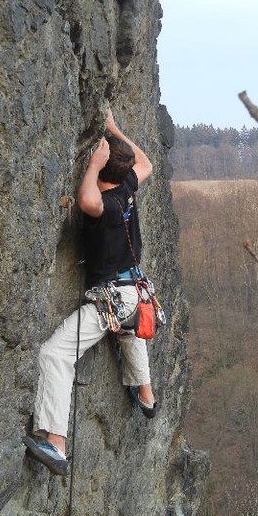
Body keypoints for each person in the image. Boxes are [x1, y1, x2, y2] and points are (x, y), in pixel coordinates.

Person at [23, 107, 158, 475]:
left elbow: (86, 201)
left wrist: (93, 165)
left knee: (55, 354)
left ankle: (56, 443)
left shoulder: (106, 206)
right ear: (124, 173)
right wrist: (116, 130)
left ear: (104, 170)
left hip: (113, 296)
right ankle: (145, 396)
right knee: (129, 330)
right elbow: (144, 162)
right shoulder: (129, 187)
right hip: (133, 289)